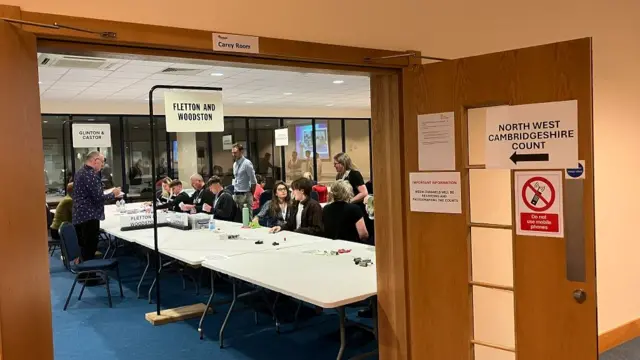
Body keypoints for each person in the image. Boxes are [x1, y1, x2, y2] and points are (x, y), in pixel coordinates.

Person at [72, 151, 121, 262]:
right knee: (90, 248)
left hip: (80, 215)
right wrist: (114, 193)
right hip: (89, 216)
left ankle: (85, 273)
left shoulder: (80, 172)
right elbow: (98, 197)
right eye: (102, 162)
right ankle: (89, 276)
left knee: (83, 247)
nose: (103, 165)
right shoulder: (90, 175)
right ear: (95, 161)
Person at [231, 143, 257, 210]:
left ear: (241, 152)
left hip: (245, 194)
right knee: (237, 218)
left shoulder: (247, 163)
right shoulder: (235, 164)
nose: (233, 155)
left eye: (235, 153)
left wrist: (251, 194)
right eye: (232, 153)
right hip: (236, 193)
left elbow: (253, 181)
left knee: (247, 218)